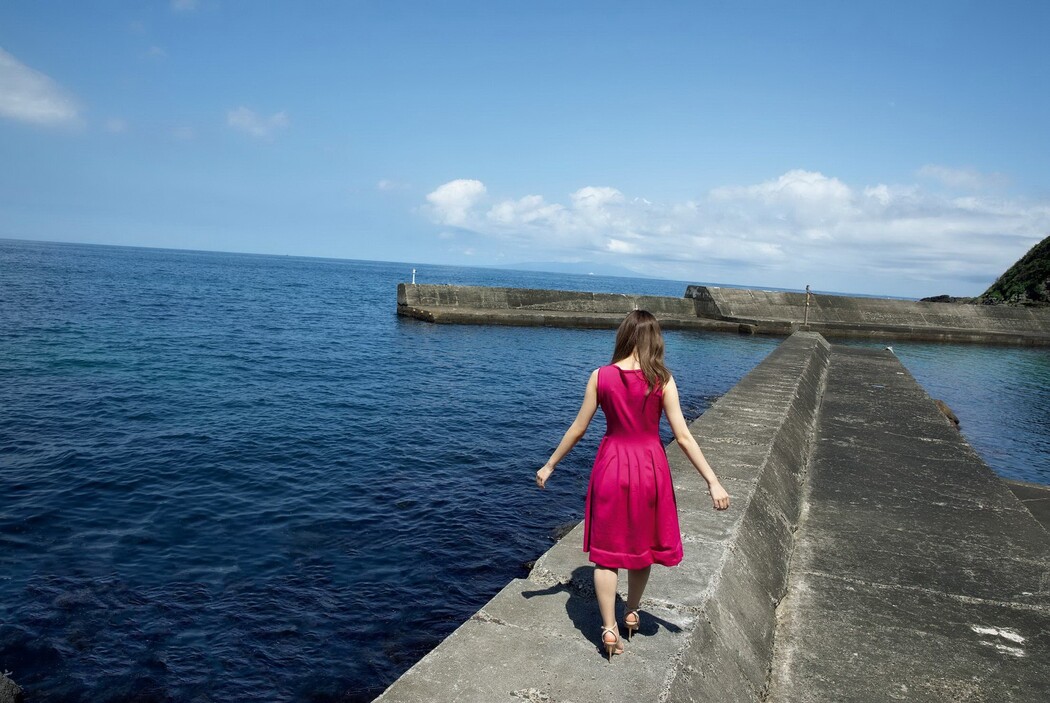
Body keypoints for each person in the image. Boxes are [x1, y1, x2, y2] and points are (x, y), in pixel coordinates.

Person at [535, 309, 730, 660]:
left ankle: (609, 629)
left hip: (611, 467)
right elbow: (683, 437)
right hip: (649, 470)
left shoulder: (601, 376)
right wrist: (712, 481)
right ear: (655, 339)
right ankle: (632, 611)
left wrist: (550, 465)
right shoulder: (662, 379)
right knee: (642, 549)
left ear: (623, 336)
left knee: (606, 557)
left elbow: (578, 428)